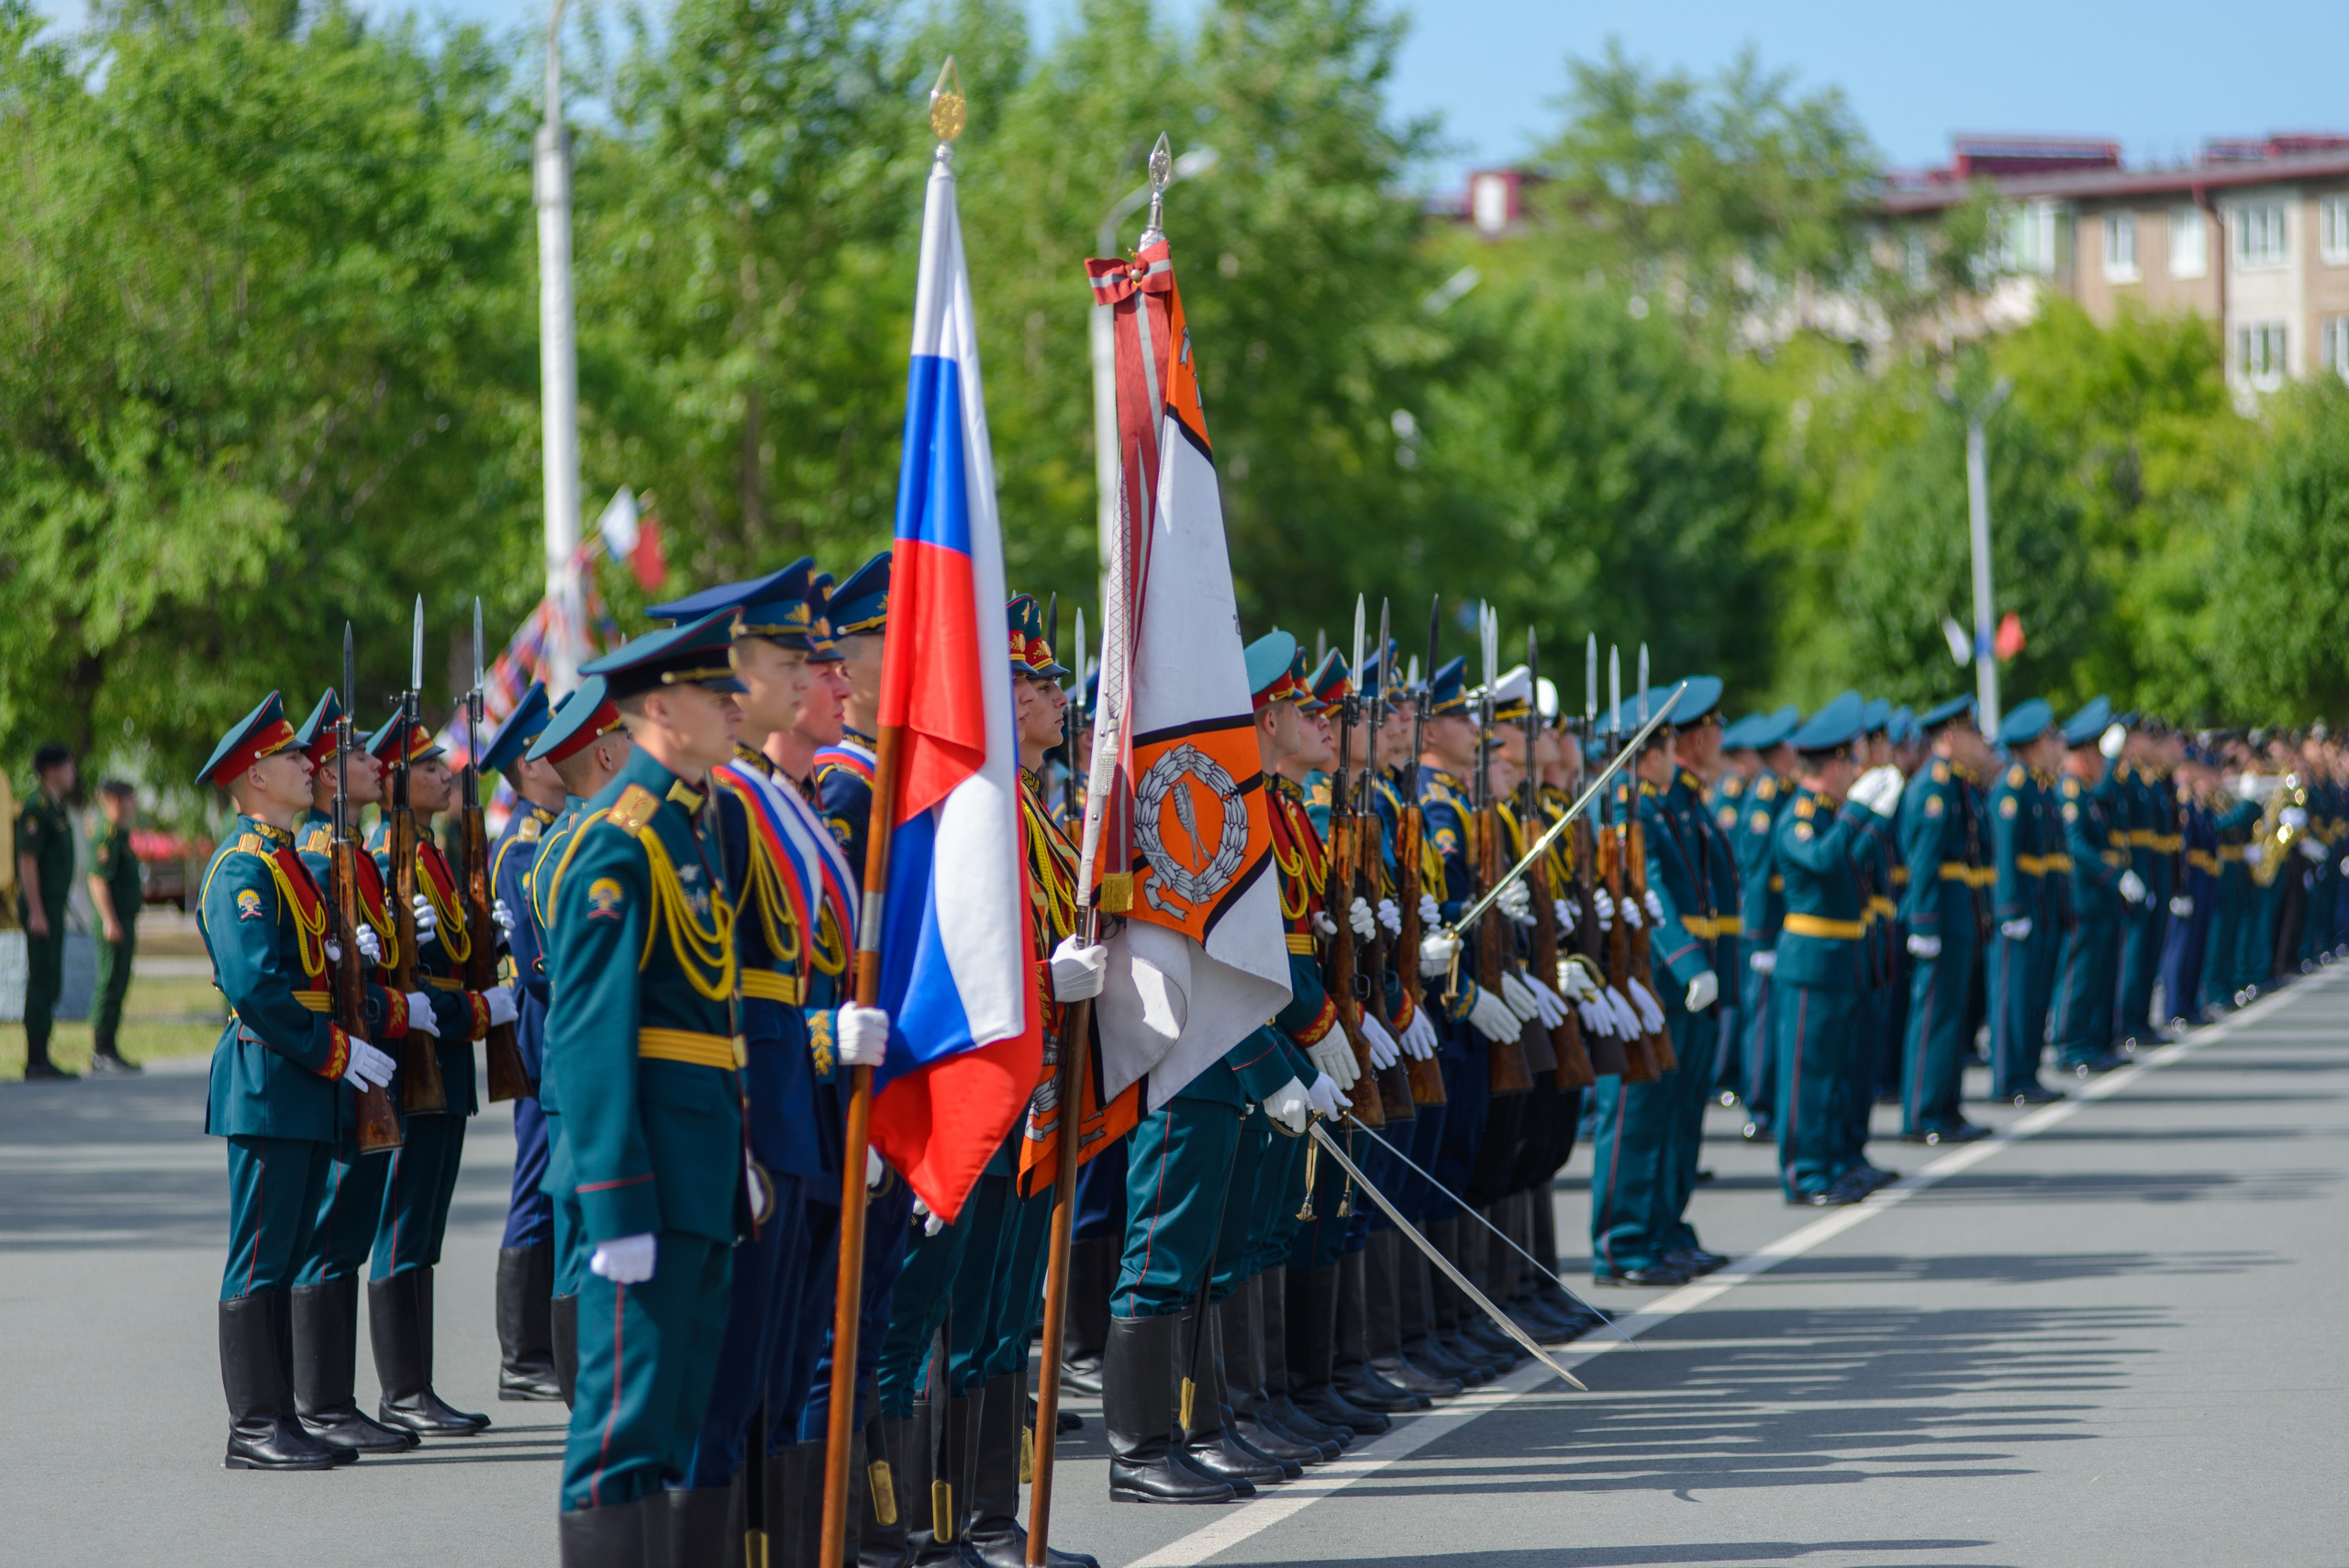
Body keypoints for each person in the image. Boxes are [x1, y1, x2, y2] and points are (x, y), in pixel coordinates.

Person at [544, 608, 888, 1565]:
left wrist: (737, 1151)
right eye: (715, 689)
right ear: (661, 706)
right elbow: (590, 1038)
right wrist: (613, 1203)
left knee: (684, 1418)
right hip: (647, 1178)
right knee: (620, 1436)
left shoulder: (690, 833)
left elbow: (721, 1024)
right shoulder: (619, 845)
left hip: (703, 1172)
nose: (736, 701)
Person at [195, 693, 402, 1469]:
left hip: (302, 1078)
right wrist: (335, 1052)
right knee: (258, 1255)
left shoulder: (287, 863)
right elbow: (255, 985)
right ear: (253, 778)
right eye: (290, 758)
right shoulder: (242, 868)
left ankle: (281, 1413)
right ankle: (253, 1424)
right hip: (271, 1077)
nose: (308, 764)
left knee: (282, 1254)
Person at [286, 690, 437, 1459]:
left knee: (346, 1232)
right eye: (353, 755)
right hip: (343, 1067)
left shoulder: (348, 855)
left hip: (367, 1058)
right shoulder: (317, 855)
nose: (375, 762)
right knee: (330, 1232)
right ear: (323, 772)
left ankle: (335, 1400)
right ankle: (324, 1402)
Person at [363, 710, 518, 1439]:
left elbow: (449, 954)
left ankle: (416, 1384)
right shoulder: (385, 853)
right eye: (427, 767)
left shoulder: (428, 853)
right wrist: (474, 1008)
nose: (445, 773)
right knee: (404, 1221)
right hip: (414, 1057)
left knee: (426, 1224)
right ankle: (402, 1389)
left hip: (447, 1060)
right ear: (394, 782)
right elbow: (407, 976)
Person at [525, 677, 634, 1408]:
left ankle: (589, 1397)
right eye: (626, 733)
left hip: (582, 1058)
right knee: (585, 1237)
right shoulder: (594, 843)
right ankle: (586, 1400)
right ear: (603, 752)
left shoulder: (578, 837)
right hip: (592, 1061)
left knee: (586, 1236)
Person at [1770, 693, 1903, 1207]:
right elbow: (1825, 862)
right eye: (1850, 761)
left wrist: (1876, 820)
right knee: (1807, 1076)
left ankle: (1832, 1161)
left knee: (1838, 1073)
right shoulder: (1798, 817)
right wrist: (1860, 813)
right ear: (1833, 763)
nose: (1857, 770)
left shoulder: (1829, 813)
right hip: (1810, 962)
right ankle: (1804, 1172)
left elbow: (1855, 860)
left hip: (1841, 960)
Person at [480, 682, 567, 1404]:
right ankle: (523, 1352)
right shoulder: (523, 845)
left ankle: (541, 1345)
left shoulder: (556, 830)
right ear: (532, 762)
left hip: (550, 1029)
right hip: (543, 1034)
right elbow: (536, 962)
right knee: (537, 1182)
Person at [1896, 696, 1992, 1144]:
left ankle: (1946, 1106)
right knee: (1933, 1016)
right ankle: (1922, 1113)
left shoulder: (1957, 784)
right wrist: (1925, 923)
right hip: (1940, 917)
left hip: (1959, 914)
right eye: (1972, 734)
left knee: (1951, 1017)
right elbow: (1925, 863)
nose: (1980, 743)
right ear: (1950, 738)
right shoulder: (1932, 787)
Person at [17, 741, 77, 1080]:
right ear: (52, 770)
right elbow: (27, 862)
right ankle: (35, 1058)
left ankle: (43, 1055)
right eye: (68, 766)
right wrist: (37, 910)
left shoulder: (56, 809)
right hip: (41, 908)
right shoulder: (36, 810)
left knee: (51, 977)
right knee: (41, 979)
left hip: (53, 906)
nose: (73, 773)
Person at [86, 777, 147, 1074]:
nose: (134, 804)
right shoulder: (106, 834)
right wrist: (110, 919)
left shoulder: (121, 833)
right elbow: (97, 879)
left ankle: (110, 1047)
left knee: (119, 982)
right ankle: (100, 1049)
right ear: (114, 800)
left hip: (123, 919)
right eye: (129, 798)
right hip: (113, 921)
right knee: (108, 982)